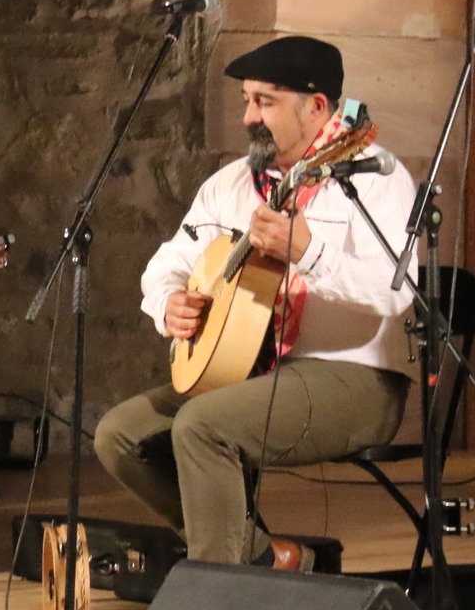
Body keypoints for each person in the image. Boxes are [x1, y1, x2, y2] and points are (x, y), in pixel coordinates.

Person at [95, 37, 416, 571]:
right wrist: (167, 302)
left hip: (353, 378)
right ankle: (264, 558)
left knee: (202, 426)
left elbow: (395, 290)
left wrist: (307, 252)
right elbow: (167, 262)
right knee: (120, 435)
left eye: (264, 102)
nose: (248, 117)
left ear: (316, 107)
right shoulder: (231, 185)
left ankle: (217, 605)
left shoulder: (372, 176)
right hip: (251, 373)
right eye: (247, 100)